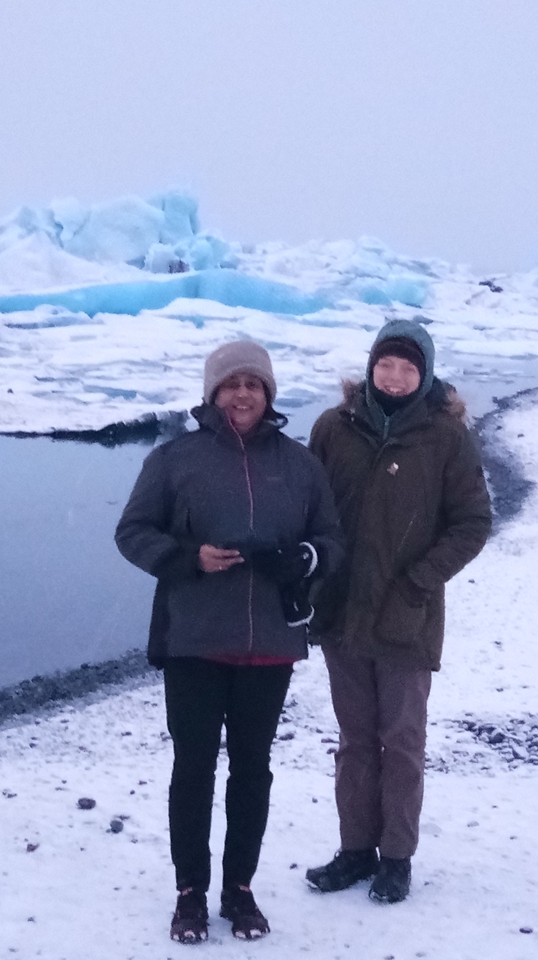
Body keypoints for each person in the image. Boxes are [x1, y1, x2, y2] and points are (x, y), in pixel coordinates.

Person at [115, 341, 343, 943]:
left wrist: (305, 556)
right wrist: (188, 558)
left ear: (268, 393)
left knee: (252, 769)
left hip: (270, 641)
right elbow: (132, 532)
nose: (243, 395)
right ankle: (189, 891)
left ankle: (239, 890)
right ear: (213, 393)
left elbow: (331, 539)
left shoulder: (298, 464)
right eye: (231, 384)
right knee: (192, 768)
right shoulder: (174, 459)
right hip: (192, 639)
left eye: (254, 384)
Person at [305, 318, 492, 904]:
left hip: (406, 615)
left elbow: (473, 521)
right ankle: (355, 850)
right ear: (370, 367)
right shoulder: (333, 428)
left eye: (408, 367)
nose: (394, 376)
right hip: (340, 611)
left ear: (425, 373)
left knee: (403, 740)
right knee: (354, 739)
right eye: (386, 364)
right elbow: (308, 507)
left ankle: (397, 858)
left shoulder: (446, 436)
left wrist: (419, 581)